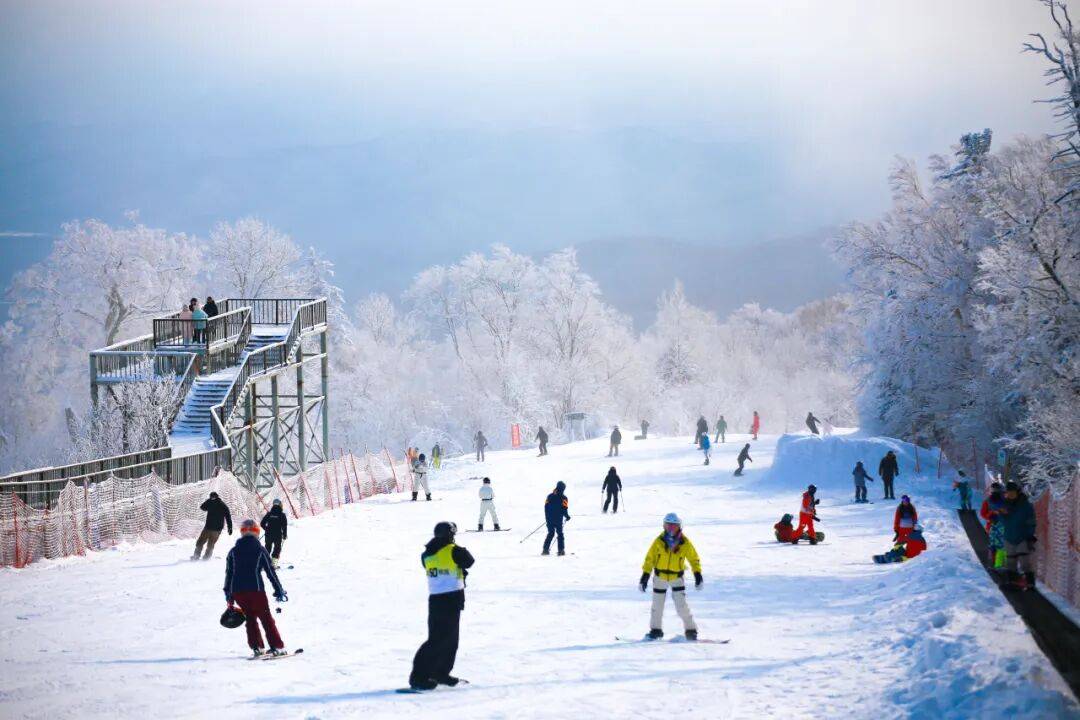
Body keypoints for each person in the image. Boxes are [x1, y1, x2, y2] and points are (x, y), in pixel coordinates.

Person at [408, 521, 475, 690]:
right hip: (451, 599)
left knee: (449, 640)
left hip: (437, 599)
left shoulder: (427, 554)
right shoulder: (454, 550)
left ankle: (440, 673)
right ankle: (419, 677)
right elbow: (469, 561)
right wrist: (454, 546)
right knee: (439, 640)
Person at [223, 519, 288, 657]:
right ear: (257, 533)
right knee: (266, 618)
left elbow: (228, 574)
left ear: (242, 533)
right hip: (255, 589)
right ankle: (277, 646)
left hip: (238, 591)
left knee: (250, 618)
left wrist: (229, 595)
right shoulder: (260, 549)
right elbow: (270, 572)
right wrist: (279, 590)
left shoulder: (233, 551)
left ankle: (257, 647)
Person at [639, 512, 702, 640]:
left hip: (676, 578)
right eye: (668, 526)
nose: (671, 529)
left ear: (679, 526)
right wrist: (645, 576)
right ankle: (656, 630)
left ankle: (691, 629)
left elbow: (693, 558)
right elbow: (649, 559)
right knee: (657, 606)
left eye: (673, 526)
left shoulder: (684, 542)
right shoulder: (659, 541)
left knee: (681, 605)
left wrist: (697, 574)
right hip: (660, 577)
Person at [999, 481, 1037, 589]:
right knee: (1010, 561)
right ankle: (1012, 582)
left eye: (1012, 492)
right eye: (1008, 492)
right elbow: (1002, 522)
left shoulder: (1025, 505)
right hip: (1009, 536)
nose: (1010, 494)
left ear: (1017, 492)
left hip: (1022, 537)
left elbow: (1032, 521)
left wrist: (1030, 536)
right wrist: (1002, 514)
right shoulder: (1005, 504)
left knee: (1025, 562)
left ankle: (1030, 584)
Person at [193, 491, 233, 560]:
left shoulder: (217, 504)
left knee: (205, 543)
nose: (212, 498)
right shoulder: (219, 504)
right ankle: (201, 557)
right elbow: (202, 507)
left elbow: (228, 516)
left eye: (212, 497)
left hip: (211, 529)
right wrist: (230, 527)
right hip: (213, 528)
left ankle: (201, 557)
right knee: (206, 543)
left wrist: (230, 527)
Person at [980, 482, 1007, 568]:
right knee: (1000, 546)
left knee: (994, 546)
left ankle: (996, 564)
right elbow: (983, 514)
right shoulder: (988, 501)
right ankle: (1000, 565)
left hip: (994, 526)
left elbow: (983, 514)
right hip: (997, 526)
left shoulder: (989, 501)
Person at [542, 481, 570, 556]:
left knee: (551, 533)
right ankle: (561, 550)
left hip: (549, 519)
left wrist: (547, 517)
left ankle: (545, 550)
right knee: (560, 534)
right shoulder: (564, 498)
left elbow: (546, 507)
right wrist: (567, 516)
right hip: (558, 520)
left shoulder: (549, 496)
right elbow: (564, 509)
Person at [259, 499, 288, 567]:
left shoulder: (269, 514)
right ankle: (273, 564)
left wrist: (266, 529)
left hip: (268, 535)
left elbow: (262, 523)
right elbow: (284, 526)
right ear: (279, 504)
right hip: (278, 535)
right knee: (277, 549)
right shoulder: (282, 515)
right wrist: (284, 535)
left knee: (267, 548)